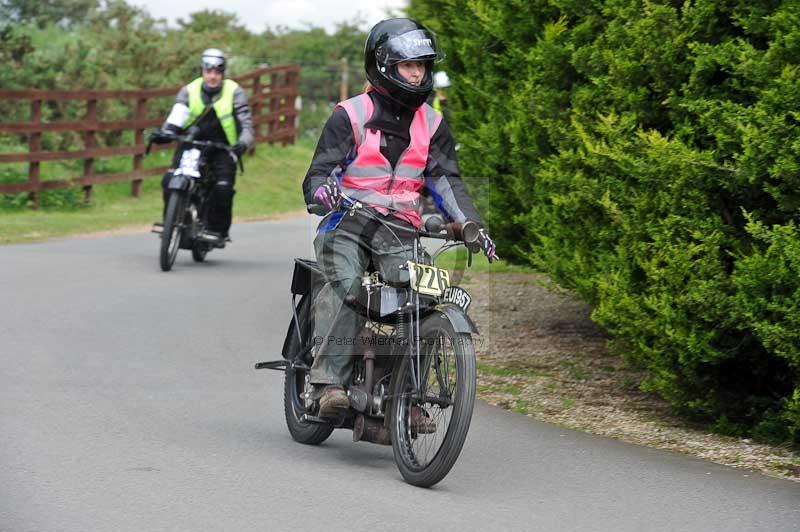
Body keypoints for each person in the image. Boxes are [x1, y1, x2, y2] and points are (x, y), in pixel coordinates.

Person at [302, 18, 498, 417]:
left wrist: (474, 227)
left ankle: (406, 394)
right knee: (346, 287)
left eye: (422, 66)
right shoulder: (349, 114)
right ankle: (326, 384)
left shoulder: (433, 123)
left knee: (426, 297)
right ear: (384, 65)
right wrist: (323, 191)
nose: (417, 73)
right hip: (347, 222)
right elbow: (319, 173)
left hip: (399, 230)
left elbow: (447, 182)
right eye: (409, 65)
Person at [150, 48, 253, 242]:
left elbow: (246, 124)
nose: (212, 76)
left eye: (217, 72)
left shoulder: (235, 92)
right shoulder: (189, 90)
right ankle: (170, 223)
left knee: (222, 188)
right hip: (191, 144)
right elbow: (177, 116)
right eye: (209, 71)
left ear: (223, 73)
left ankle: (216, 230)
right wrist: (165, 133)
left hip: (223, 147)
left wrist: (242, 143)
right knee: (169, 180)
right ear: (202, 71)